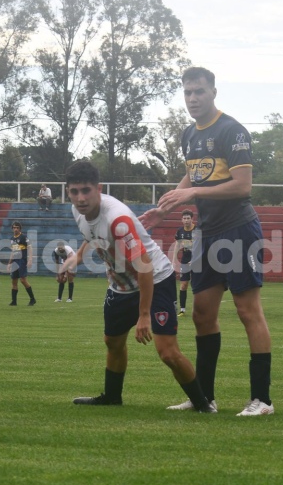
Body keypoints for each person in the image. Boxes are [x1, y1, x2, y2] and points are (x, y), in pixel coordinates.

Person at [140, 66, 275, 417]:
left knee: (248, 311)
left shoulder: (232, 131)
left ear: (213, 91)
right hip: (207, 235)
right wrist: (162, 211)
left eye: (199, 91)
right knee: (202, 315)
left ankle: (262, 400)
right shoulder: (188, 135)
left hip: (239, 230)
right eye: (187, 93)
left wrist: (194, 192)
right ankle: (205, 399)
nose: (193, 98)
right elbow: (194, 173)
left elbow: (243, 185)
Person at [66, 160, 213, 412]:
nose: (80, 198)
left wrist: (144, 315)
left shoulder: (118, 220)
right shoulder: (77, 211)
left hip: (154, 279)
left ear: (98, 189)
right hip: (121, 285)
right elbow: (92, 235)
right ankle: (112, 397)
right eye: (74, 191)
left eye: (86, 190)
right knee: (112, 341)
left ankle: (203, 405)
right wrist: (77, 257)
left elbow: (145, 266)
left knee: (167, 352)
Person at [173, 209, 196, 316]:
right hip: (185, 260)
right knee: (183, 285)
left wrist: (195, 259)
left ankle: (198, 309)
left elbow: (201, 246)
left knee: (197, 285)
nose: (186, 220)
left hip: (197, 260)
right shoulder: (180, 231)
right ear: (182, 220)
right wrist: (174, 260)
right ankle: (182, 310)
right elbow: (177, 245)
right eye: (184, 218)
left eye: (188, 218)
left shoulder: (197, 230)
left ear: (192, 219)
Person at [8, 221, 37, 306]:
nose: (15, 229)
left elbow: (30, 248)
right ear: (12, 228)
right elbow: (13, 252)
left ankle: (32, 299)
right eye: (14, 227)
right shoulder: (12, 239)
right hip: (15, 262)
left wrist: (30, 259)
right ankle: (14, 301)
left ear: (20, 229)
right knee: (14, 281)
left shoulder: (23, 237)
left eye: (17, 227)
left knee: (23, 280)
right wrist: (9, 263)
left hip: (22, 261)